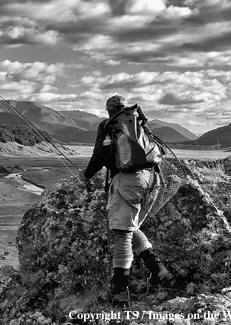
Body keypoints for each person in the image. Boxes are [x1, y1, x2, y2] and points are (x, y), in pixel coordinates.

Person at [79, 95, 173, 306]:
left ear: (108, 110)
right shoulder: (138, 121)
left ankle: (120, 291)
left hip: (129, 182)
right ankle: (160, 272)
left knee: (122, 234)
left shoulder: (109, 124)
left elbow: (100, 155)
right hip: (153, 179)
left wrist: (85, 176)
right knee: (131, 227)